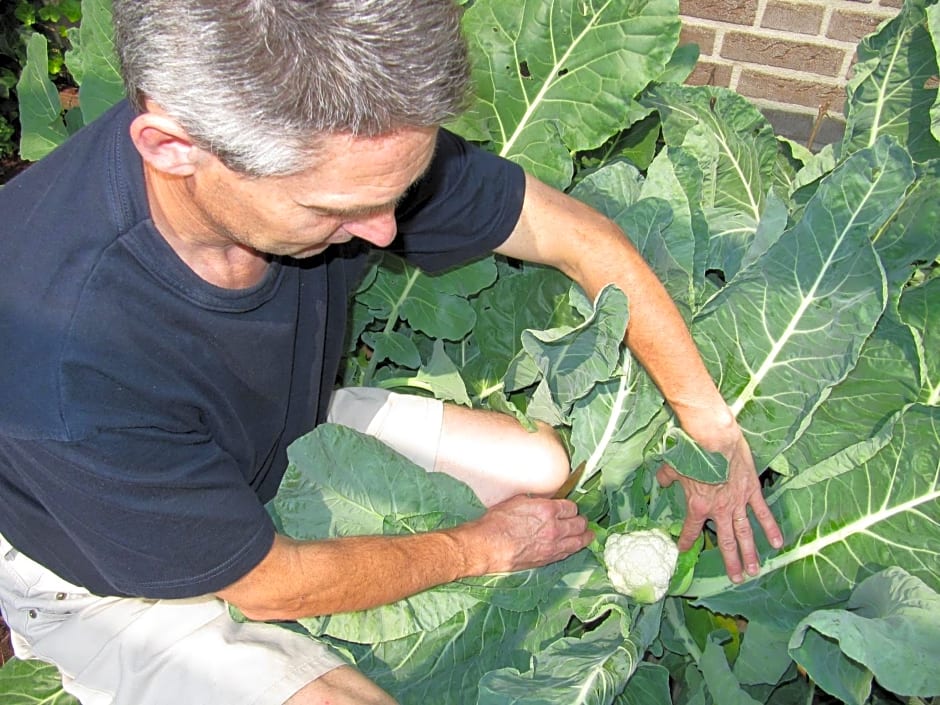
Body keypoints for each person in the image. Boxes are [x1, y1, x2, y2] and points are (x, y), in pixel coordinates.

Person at [0, 1, 783, 703]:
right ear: (172, 147)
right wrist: (479, 549)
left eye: (396, 193)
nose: (384, 232)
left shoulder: (339, 127)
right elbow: (270, 583)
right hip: (115, 577)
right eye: (340, 208)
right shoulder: (60, 356)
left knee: (543, 470)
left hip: (274, 429)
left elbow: (575, 236)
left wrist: (711, 432)